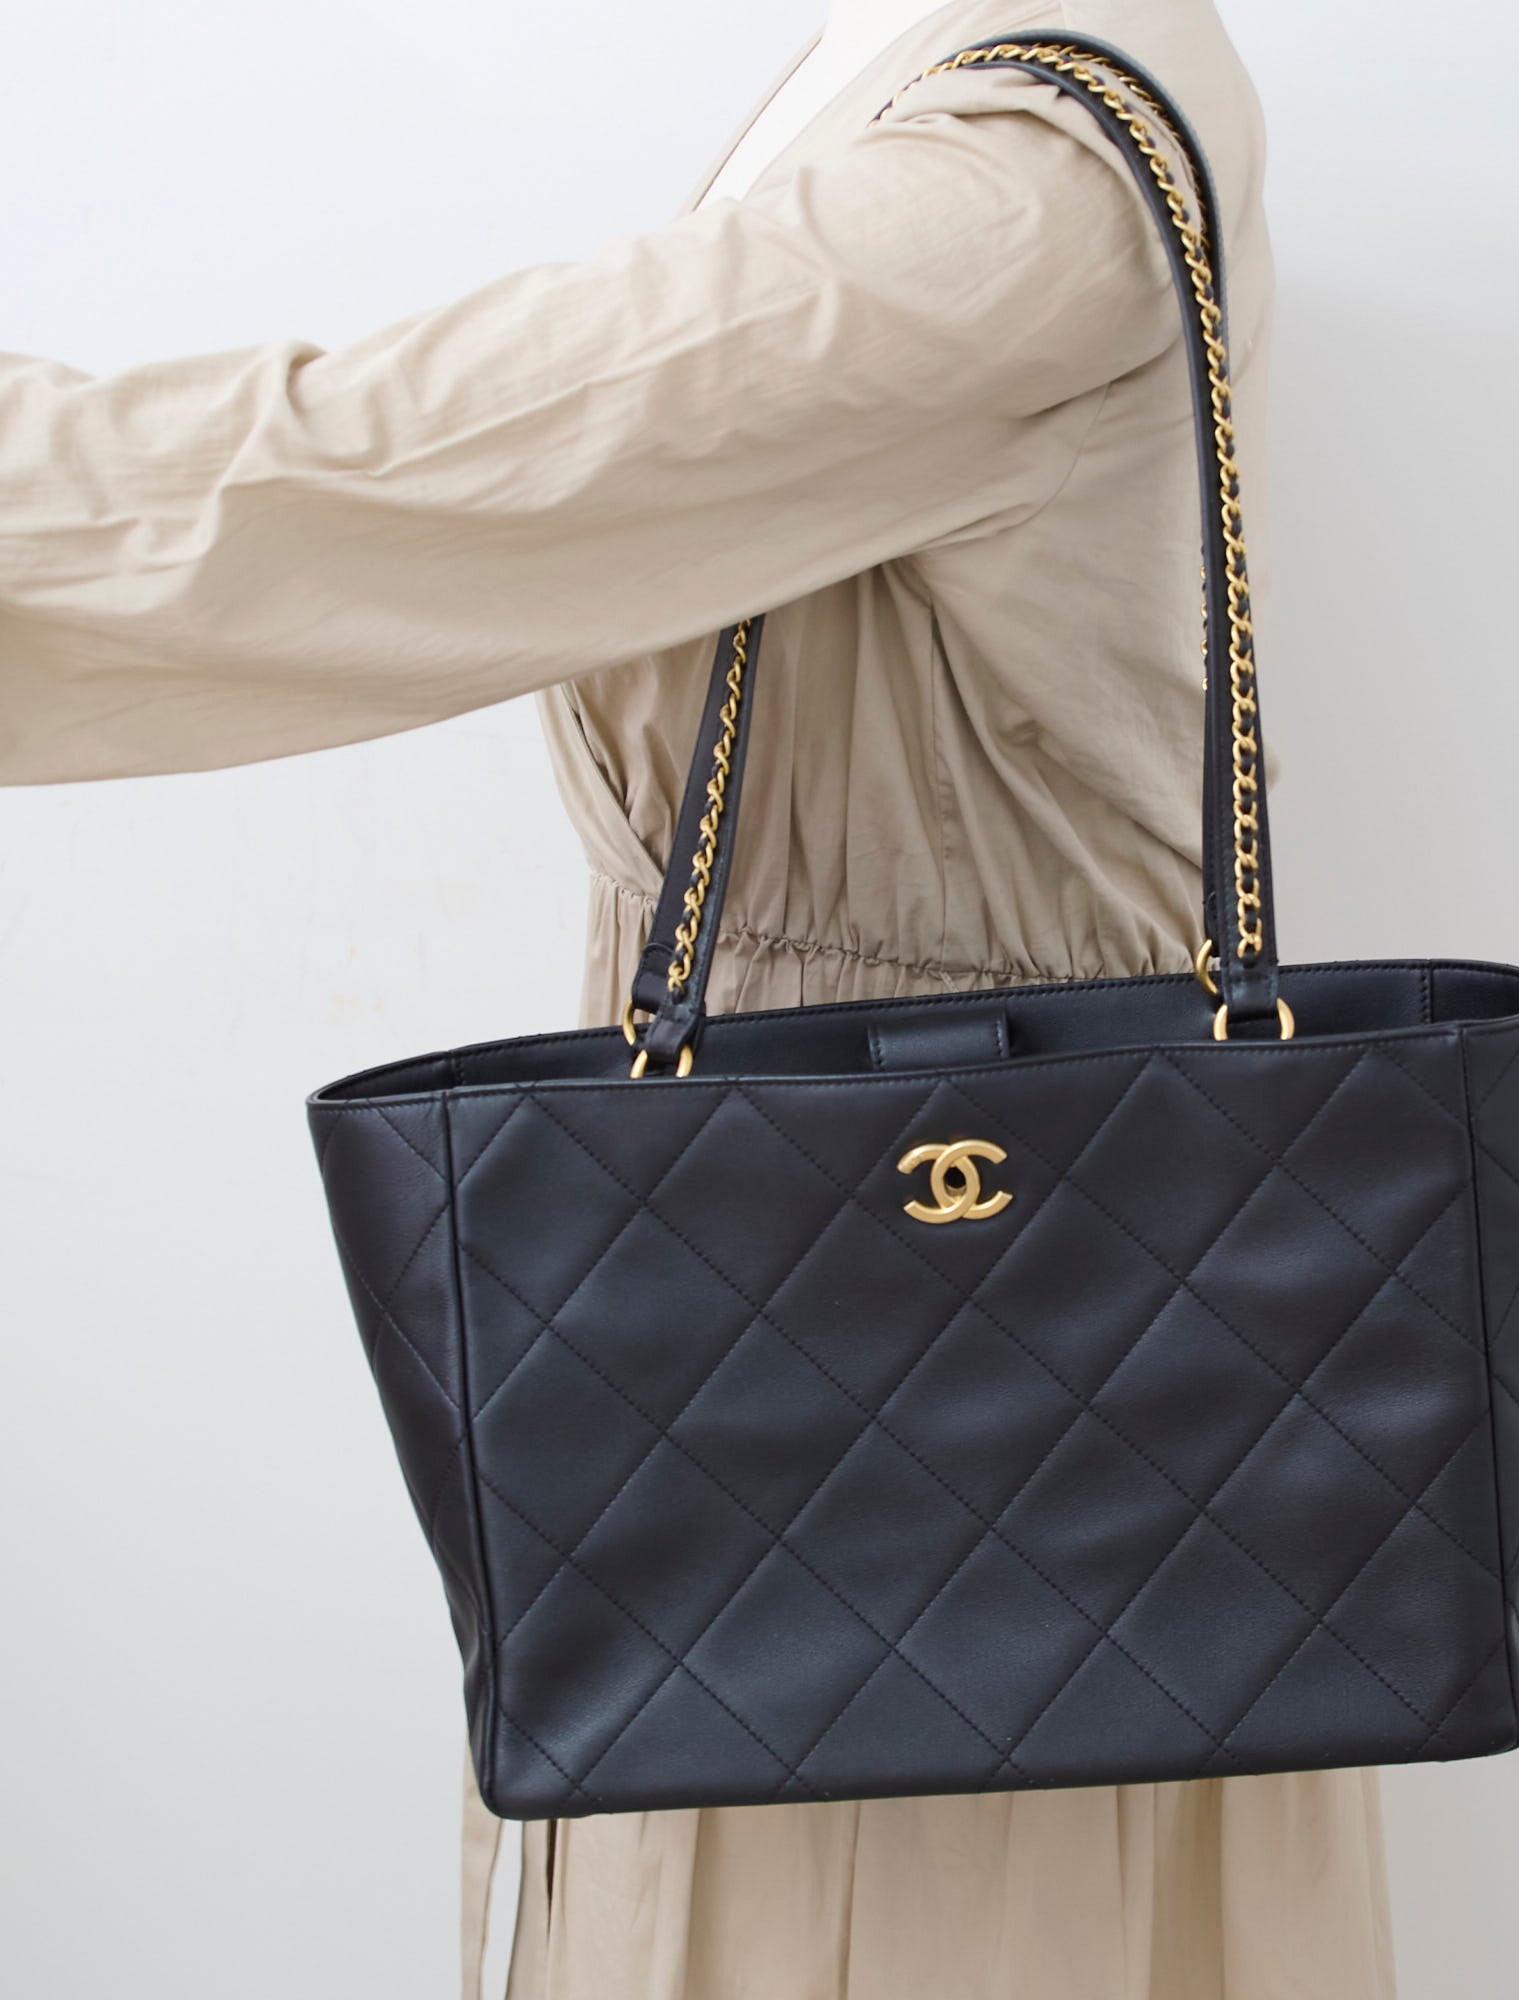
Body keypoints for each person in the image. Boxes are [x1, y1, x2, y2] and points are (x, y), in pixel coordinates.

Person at [0, 0, 1397, 1992]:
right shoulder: (951, 71)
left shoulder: (1023, 183)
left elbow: (391, 467)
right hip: (880, 1274)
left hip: (931, 1307)